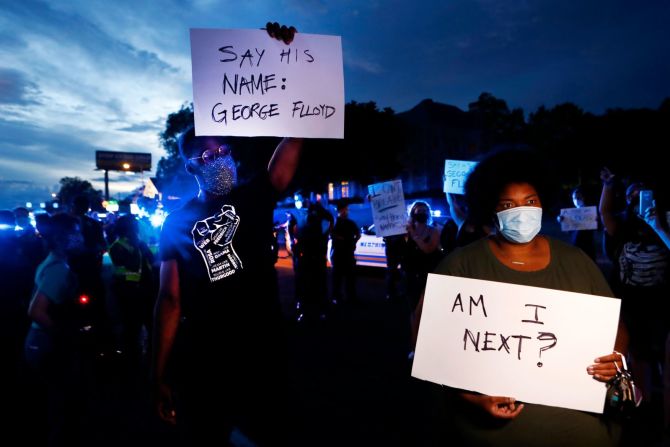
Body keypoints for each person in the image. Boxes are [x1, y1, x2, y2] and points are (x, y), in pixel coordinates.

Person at [414, 149, 628, 446]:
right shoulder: (461, 265)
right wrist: (471, 398)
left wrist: (613, 360)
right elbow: (425, 343)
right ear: (491, 210)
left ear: (543, 202)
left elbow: (615, 328)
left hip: (579, 429)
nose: (521, 211)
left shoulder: (576, 261)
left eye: (530, 201)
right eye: (508, 204)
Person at [152, 24, 302, 446]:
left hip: (262, 352)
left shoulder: (255, 195)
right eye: (206, 155)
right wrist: (158, 372)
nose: (218, 159)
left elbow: (293, 142)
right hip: (205, 358)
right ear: (191, 167)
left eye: (223, 151)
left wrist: (288, 62)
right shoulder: (177, 223)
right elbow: (169, 300)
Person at [23, 213, 86, 446]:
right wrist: (67, 334)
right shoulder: (59, 269)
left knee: (55, 404)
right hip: (46, 344)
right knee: (62, 407)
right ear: (63, 237)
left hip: (39, 342)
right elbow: (36, 310)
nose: (80, 237)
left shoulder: (52, 261)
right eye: (76, 232)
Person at [109, 214, 157, 371]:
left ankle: (150, 358)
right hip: (129, 295)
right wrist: (137, 247)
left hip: (147, 292)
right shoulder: (117, 246)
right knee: (131, 329)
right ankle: (131, 364)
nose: (138, 228)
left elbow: (152, 259)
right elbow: (125, 271)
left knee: (152, 326)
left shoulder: (139, 243)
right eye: (134, 226)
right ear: (128, 228)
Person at [330, 202, 361, 305]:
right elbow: (330, 234)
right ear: (339, 210)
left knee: (350, 277)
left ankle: (351, 296)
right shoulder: (334, 223)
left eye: (347, 210)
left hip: (348, 254)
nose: (347, 211)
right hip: (338, 254)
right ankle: (336, 297)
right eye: (345, 209)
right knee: (337, 278)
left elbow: (358, 234)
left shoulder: (350, 223)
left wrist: (353, 242)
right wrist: (343, 240)